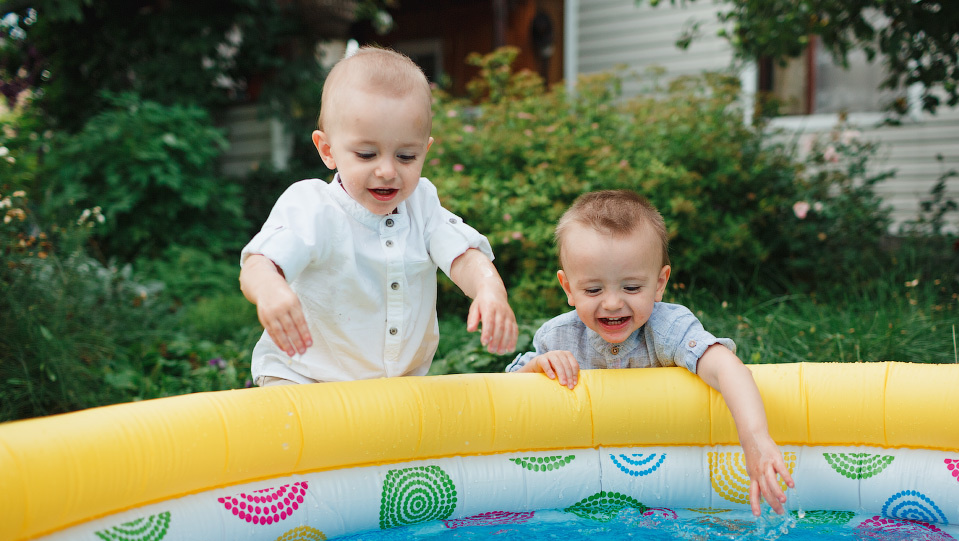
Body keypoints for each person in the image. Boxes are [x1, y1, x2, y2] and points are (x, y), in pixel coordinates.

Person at [240, 47, 517, 385]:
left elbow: (463, 255)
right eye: (367, 154)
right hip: (302, 378)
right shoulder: (313, 207)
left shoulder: (423, 205)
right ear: (328, 150)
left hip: (392, 387)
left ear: (424, 151)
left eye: (406, 156)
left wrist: (490, 290)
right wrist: (270, 289)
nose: (387, 171)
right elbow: (259, 263)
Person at [506, 190, 794, 515]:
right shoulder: (559, 337)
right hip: (587, 491)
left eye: (631, 288)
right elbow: (508, 402)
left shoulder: (668, 328)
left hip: (672, 492)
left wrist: (754, 438)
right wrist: (537, 368)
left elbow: (726, 368)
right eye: (593, 289)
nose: (613, 303)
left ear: (659, 283)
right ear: (568, 288)